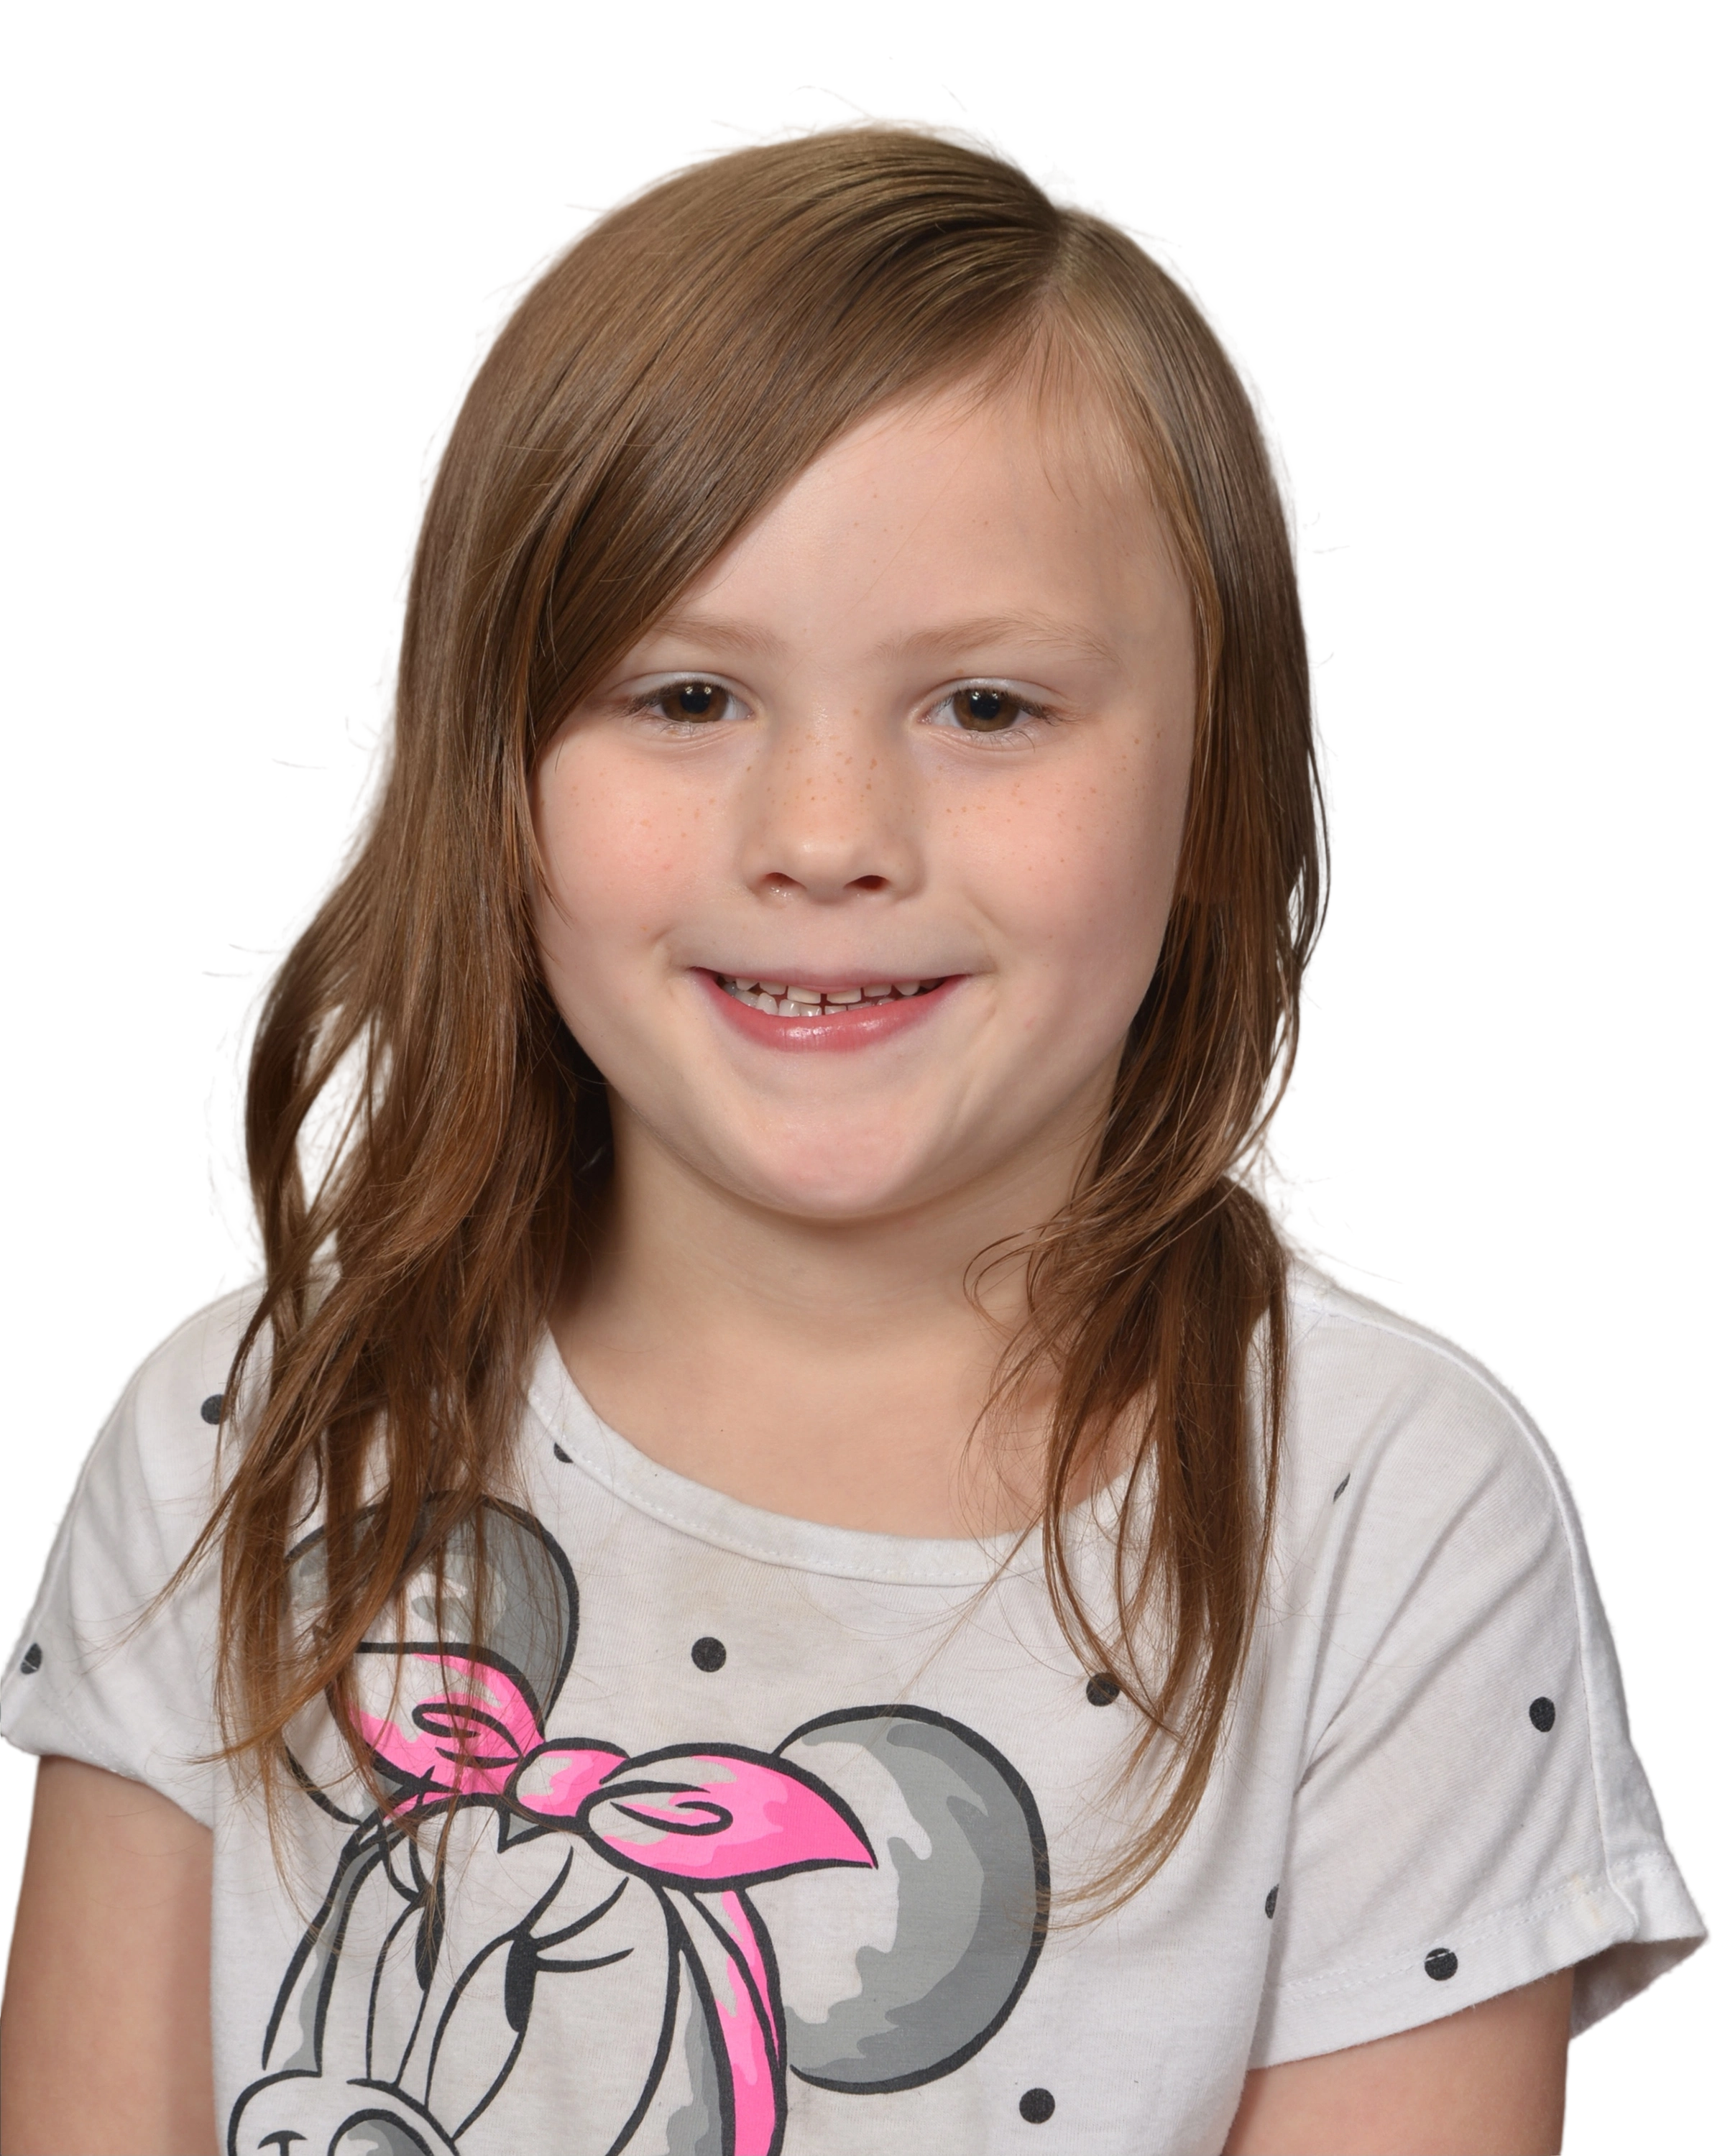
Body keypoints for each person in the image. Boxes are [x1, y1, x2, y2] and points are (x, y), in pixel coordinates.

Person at [0, 111, 1707, 2156]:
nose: (824, 839)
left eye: (985, 707)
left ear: (1220, 785)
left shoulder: (1381, 1510)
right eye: (685, 698)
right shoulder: (241, 1437)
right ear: (489, 775)